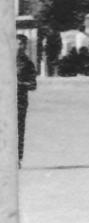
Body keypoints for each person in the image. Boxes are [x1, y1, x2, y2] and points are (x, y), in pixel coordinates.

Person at [16, 36, 38, 166]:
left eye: (22, 44)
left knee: (19, 130)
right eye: (18, 43)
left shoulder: (29, 64)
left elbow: (33, 85)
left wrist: (21, 84)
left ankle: (17, 158)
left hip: (20, 101)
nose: (20, 46)